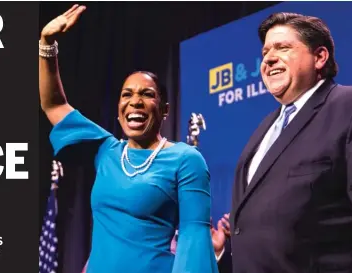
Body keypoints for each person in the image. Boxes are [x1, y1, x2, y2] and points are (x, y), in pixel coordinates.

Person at [217, 12, 352, 273]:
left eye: (283, 47)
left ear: (319, 57)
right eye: (265, 51)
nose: (269, 58)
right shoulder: (264, 130)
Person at [39, 4, 219, 273]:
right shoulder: (105, 150)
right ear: (119, 109)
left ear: (164, 109)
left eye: (147, 94)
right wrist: (47, 43)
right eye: (127, 94)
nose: (135, 101)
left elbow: (194, 240)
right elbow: (54, 105)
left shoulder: (185, 159)